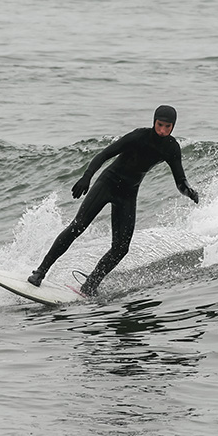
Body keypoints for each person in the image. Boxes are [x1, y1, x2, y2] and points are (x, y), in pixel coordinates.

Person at [27, 105, 199, 296]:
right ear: (154, 122)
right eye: (160, 125)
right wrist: (87, 177)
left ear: (173, 126)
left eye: (168, 127)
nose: (163, 131)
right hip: (107, 184)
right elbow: (104, 155)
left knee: (121, 248)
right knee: (78, 226)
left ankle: (90, 286)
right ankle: (40, 272)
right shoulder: (138, 136)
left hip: (128, 193)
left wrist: (188, 191)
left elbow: (180, 181)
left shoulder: (171, 148)